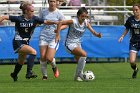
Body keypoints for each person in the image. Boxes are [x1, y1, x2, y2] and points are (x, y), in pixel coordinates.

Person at [0, 1, 58, 81]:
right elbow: (4, 17)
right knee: (33, 52)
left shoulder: (35, 18)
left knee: (21, 61)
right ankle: (29, 73)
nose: (33, 12)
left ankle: (14, 74)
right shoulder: (19, 19)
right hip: (18, 41)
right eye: (31, 11)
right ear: (26, 11)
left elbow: (46, 21)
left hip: (25, 42)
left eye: (33, 11)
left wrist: (56, 22)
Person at [56, 7, 102, 81]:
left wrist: (97, 35)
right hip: (69, 44)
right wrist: (57, 34)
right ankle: (80, 74)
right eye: (82, 16)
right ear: (78, 16)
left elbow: (93, 31)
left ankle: (76, 77)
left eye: (85, 16)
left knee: (80, 61)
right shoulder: (73, 21)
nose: (84, 18)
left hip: (77, 44)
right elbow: (60, 22)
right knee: (84, 54)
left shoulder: (86, 23)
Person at [39, 0, 67, 80]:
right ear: (48, 2)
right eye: (51, 1)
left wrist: (58, 30)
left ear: (56, 2)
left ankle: (54, 67)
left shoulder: (59, 13)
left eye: (54, 1)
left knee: (49, 58)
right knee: (42, 57)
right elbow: (39, 21)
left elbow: (65, 25)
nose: (52, 3)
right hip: (43, 36)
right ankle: (45, 76)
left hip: (54, 37)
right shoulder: (43, 12)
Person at [118, 4, 140, 79]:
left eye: (136, 10)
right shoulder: (130, 19)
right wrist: (122, 36)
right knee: (132, 61)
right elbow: (127, 29)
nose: (134, 11)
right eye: (133, 10)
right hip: (134, 42)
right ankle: (135, 69)